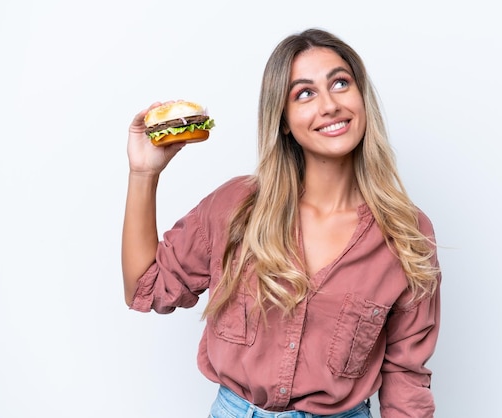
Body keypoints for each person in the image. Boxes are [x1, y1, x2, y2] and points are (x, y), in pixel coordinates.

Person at [122, 28, 442, 418]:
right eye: (304, 93)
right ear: (285, 120)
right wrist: (143, 174)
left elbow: (406, 377)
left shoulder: (406, 234)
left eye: (340, 83)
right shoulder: (236, 206)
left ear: (361, 98)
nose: (329, 106)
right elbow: (147, 288)